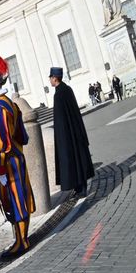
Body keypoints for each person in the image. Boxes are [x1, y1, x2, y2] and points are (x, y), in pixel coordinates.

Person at [0, 53, 34, 257]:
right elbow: (23, 137)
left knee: (13, 199)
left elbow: (1, 142)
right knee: (22, 195)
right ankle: (22, 238)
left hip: (6, 160)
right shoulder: (11, 104)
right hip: (18, 157)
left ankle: (21, 242)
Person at [49, 68, 94, 198]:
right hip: (75, 130)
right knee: (77, 158)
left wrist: (61, 138)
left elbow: (60, 119)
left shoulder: (58, 95)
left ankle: (81, 188)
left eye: (51, 77)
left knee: (72, 160)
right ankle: (79, 187)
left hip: (67, 134)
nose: (50, 80)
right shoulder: (67, 89)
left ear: (55, 78)